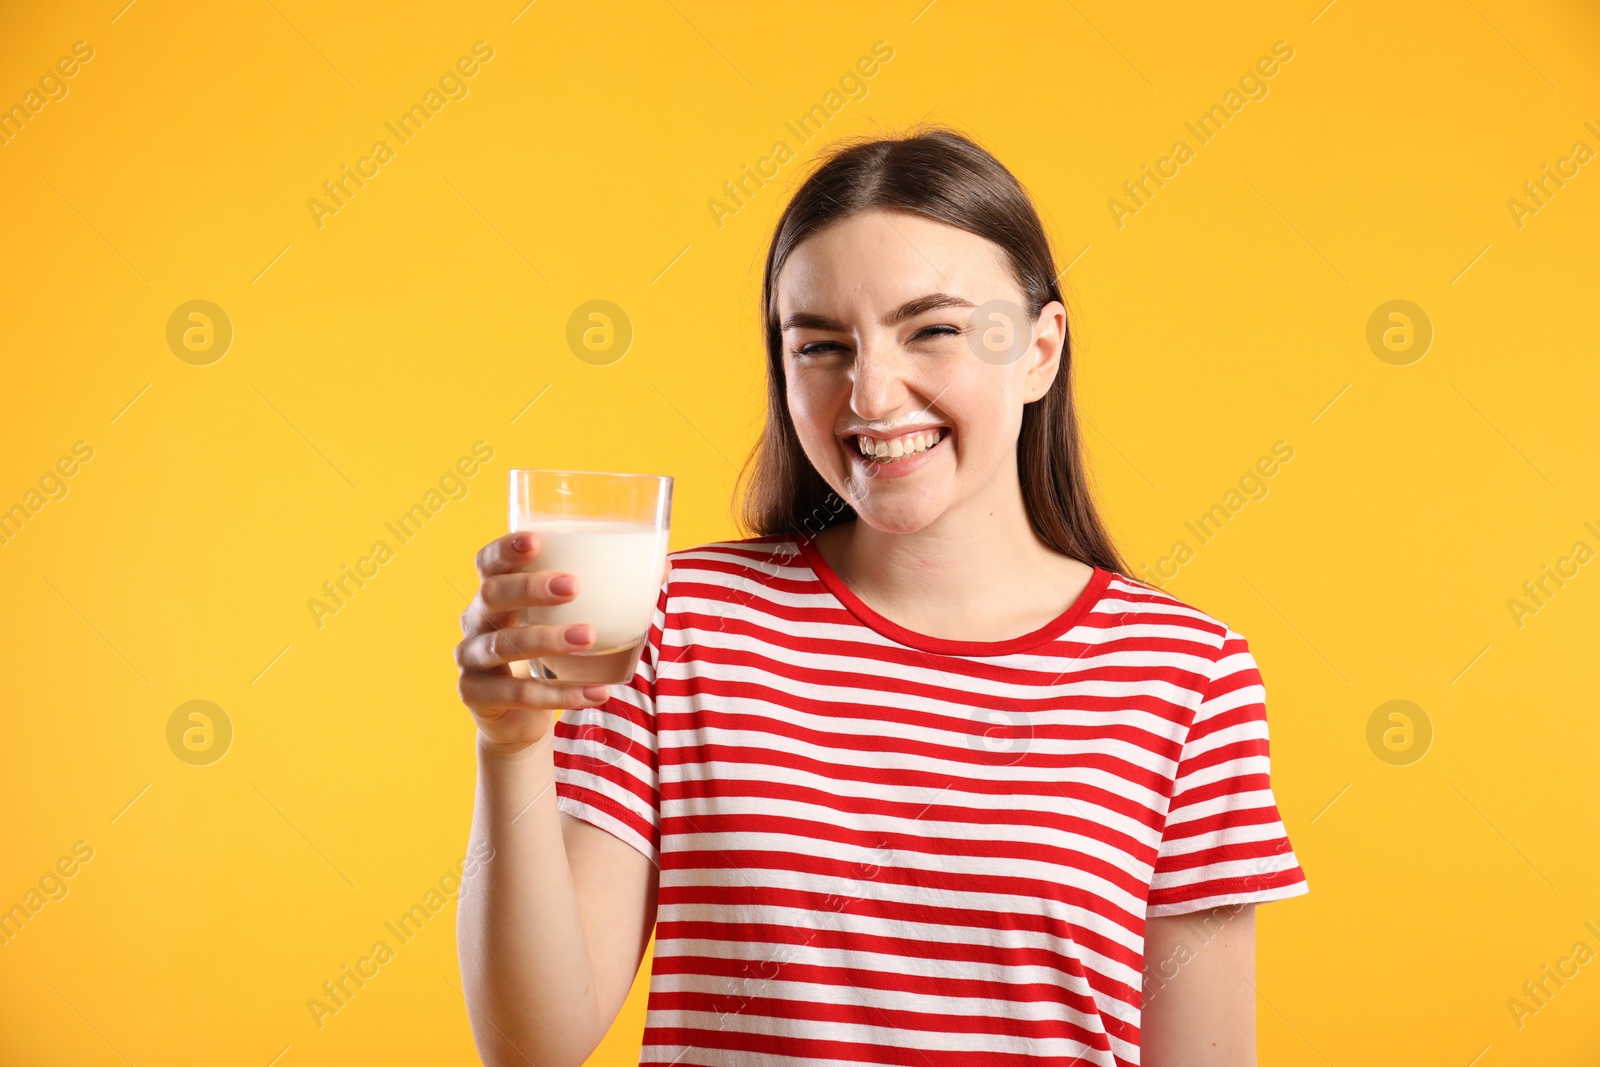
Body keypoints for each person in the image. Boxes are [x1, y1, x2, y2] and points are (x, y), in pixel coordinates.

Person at [453, 126, 1309, 1067]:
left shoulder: (1187, 677)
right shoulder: (677, 622)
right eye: (820, 345)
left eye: (932, 329)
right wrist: (512, 747)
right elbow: (533, 1046)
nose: (869, 393)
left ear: (1039, 350)